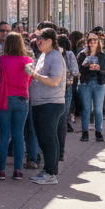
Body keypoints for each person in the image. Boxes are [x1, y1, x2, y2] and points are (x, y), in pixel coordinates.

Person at [0, 32, 34, 180]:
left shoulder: (2, 60)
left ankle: (1, 170)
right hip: (22, 98)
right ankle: (18, 170)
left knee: (4, 135)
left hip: (4, 98)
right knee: (18, 135)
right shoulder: (28, 60)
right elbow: (30, 80)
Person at [29, 28, 66, 186]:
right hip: (40, 103)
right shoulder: (44, 55)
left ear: (50, 41)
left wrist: (34, 74)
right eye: (37, 39)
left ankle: (51, 174)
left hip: (51, 103)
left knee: (49, 139)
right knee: (44, 139)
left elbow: (54, 81)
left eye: (41, 39)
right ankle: (47, 170)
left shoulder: (55, 57)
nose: (38, 42)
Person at [77, 32, 105, 142]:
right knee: (86, 109)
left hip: (99, 83)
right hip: (86, 83)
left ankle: (98, 132)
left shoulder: (102, 55)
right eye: (90, 40)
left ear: (98, 42)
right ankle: (85, 133)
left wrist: (98, 68)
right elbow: (78, 69)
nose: (92, 42)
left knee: (98, 109)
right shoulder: (82, 55)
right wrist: (87, 67)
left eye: (94, 40)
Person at [57, 34, 80, 160]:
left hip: (55, 86)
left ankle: (58, 149)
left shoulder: (55, 54)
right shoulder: (70, 54)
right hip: (66, 85)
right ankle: (61, 151)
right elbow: (75, 71)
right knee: (64, 115)